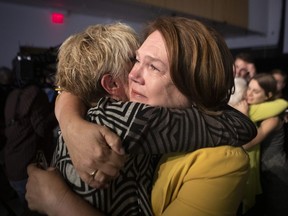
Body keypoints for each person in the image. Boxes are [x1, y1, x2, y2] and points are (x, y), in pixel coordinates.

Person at [26, 17, 257, 216]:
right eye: (136, 59)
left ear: (195, 87)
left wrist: (58, 202)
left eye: (154, 67)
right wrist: (71, 122)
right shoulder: (122, 119)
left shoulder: (221, 161)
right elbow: (73, 88)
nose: (133, 74)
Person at [234, 73, 288, 215]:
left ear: (268, 95)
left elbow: (247, 143)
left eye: (256, 91)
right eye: (249, 88)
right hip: (261, 168)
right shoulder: (260, 110)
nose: (249, 94)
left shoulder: (273, 117)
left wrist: (244, 115)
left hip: (273, 169)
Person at [4, 69, 58, 208]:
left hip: (11, 166)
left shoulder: (12, 95)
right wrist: (60, 107)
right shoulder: (34, 93)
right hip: (27, 168)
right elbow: (42, 128)